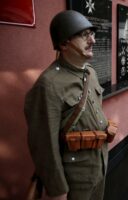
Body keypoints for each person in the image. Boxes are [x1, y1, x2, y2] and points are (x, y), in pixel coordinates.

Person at [24, 10, 116, 200]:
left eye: (92, 34)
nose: (93, 40)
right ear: (64, 43)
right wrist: (58, 190)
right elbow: (44, 146)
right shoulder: (48, 84)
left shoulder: (90, 73)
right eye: (84, 35)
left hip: (99, 165)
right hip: (74, 179)